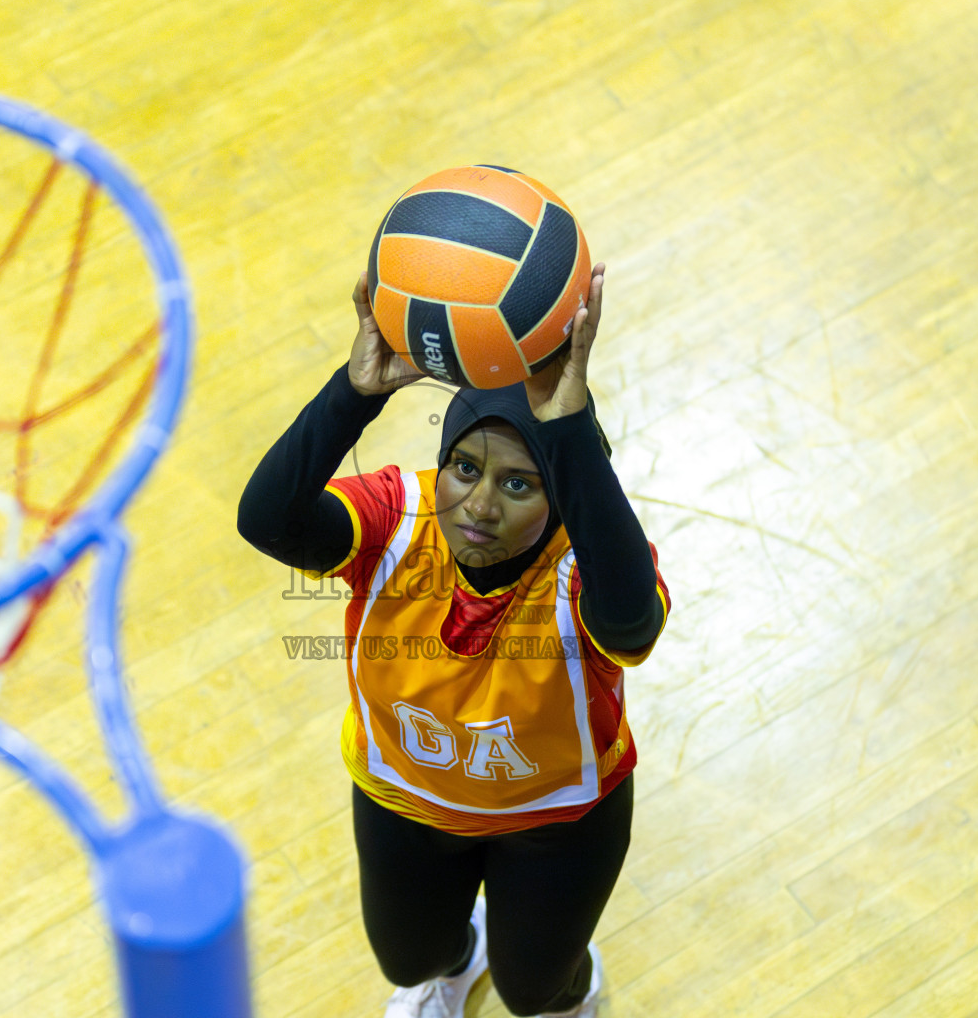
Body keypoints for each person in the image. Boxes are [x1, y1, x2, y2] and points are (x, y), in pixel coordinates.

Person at [238, 262, 668, 1018]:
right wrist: (354, 395)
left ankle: (573, 989)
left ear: (561, 491)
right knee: (410, 957)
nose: (478, 503)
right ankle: (456, 964)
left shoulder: (587, 564)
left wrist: (568, 434)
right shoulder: (396, 518)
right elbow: (266, 519)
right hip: (405, 800)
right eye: (464, 468)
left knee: (534, 991)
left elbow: (634, 622)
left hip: (558, 824)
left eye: (518, 484)